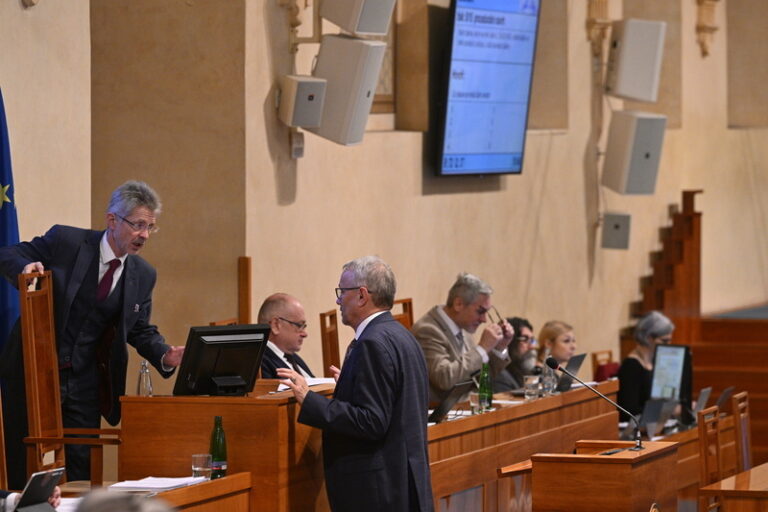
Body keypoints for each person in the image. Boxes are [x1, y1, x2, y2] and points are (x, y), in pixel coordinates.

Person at [0, 181, 184, 488]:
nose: (144, 235)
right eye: (138, 225)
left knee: (81, 470)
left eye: (151, 227)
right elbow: (8, 253)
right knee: (26, 462)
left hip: (86, 382)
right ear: (112, 220)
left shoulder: (144, 274)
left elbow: (138, 328)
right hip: (34, 374)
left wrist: (164, 354)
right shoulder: (67, 241)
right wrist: (25, 265)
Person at [277, 256, 434, 511]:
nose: (338, 300)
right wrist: (350, 385)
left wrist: (310, 399)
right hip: (402, 483)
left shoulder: (372, 342)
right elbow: (392, 398)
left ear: (362, 296)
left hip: (376, 492)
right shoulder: (402, 336)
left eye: (342, 292)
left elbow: (371, 421)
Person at [411, 272, 514, 402]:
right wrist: (481, 348)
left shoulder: (463, 328)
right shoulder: (427, 330)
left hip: (468, 407)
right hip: (441, 414)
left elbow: (480, 378)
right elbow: (444, 379)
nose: (484, 319)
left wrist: (500, 347)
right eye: (480, 311)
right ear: (458, 304)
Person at [617, 311, 675, 421]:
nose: (668, 345)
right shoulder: (631, 367)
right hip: (637, 431)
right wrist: (664, 411)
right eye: (665, 341)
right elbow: (629, 411)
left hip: (655, 424)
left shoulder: (655, 361)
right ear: (649, 338)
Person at [257, 293, 315, 379]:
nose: (304, 334)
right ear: (275, 325)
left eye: (304, 326)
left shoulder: (291, 356)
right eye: (299, 325)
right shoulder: (260, 364)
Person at [493, 317, 536, 392]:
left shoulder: (524, 372)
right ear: (509, 341)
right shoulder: (501, 376)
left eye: (532, 340)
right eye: (525, 339)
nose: (532, 346)